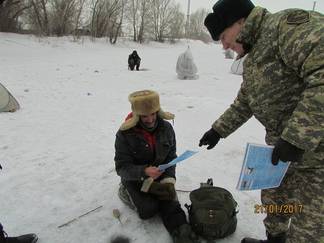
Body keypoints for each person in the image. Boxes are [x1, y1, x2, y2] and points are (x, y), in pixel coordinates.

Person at [201, 0, 324, 243]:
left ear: (241, 21)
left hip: (317, 157)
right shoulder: (254, 54)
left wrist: (296, 137)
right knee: (275, 205)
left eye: (224, 36)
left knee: (309, 227)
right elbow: (246, 101)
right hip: (282, 153)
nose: (224, 45)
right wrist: (218, 130)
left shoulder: (285, 28)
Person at [114, 90, 197, 243]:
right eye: (144, 116)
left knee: (169, 199)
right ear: (137, 116)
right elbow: (122, 168)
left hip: (160, 175)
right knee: (148, 210)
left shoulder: (166, 128)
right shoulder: (124, 134)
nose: (150, 119)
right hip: (136, 178)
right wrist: (144, 171)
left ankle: (182, 233)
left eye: (153, 114)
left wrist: (169, 180)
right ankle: (125, 190)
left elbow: (171, 157)